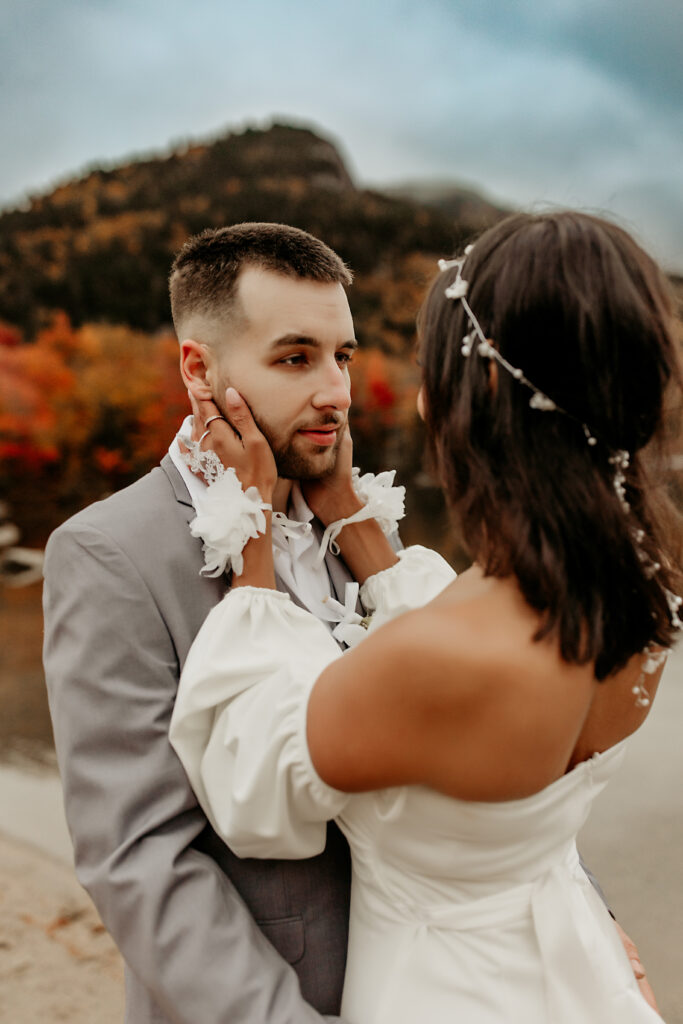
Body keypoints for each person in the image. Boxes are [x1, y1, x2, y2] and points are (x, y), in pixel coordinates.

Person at [169, 211, 681, 1022]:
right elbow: (464, 644)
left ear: (474, 390)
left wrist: (253, 547)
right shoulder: (640, 603)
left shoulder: (442, 658)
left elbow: (249, 773)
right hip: (573, 971)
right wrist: (357, 526)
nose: (342, 389)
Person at [43, 222, 405, 1023]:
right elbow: (138, 858)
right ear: (198, 370)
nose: (338, 392)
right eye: (294, 357)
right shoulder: (109, 555)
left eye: (342, 355)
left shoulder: (366, 527)